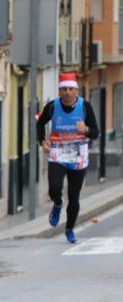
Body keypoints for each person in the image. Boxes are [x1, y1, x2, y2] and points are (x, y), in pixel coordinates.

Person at [37, 72, 100, 243]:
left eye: (70, 89)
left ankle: (70, 229)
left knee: (74, 195)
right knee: (54, 189)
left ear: (76, 91)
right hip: (57, 153)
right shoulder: (52, 106)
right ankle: (57, 204)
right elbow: (40, 123)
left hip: (78, 155)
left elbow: (96, 133)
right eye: (63, 89)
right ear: (59, 92)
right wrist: (42, 141)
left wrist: (85, 130)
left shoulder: (85, 107)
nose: (67, 92)